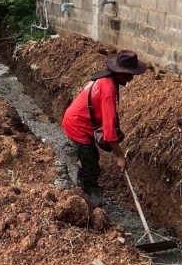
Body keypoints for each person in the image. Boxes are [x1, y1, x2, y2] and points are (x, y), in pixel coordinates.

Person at [61, 50, 147, 205]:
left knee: (92, 159)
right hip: (77, 126)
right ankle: (91, 201)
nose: (132, 78)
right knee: (92, 167)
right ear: (121, 73)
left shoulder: (104, 79)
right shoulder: (108, 90)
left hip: (78, 121)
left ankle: (82, 186)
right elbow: (109, 131)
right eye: (130, 75)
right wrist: (120, 156)